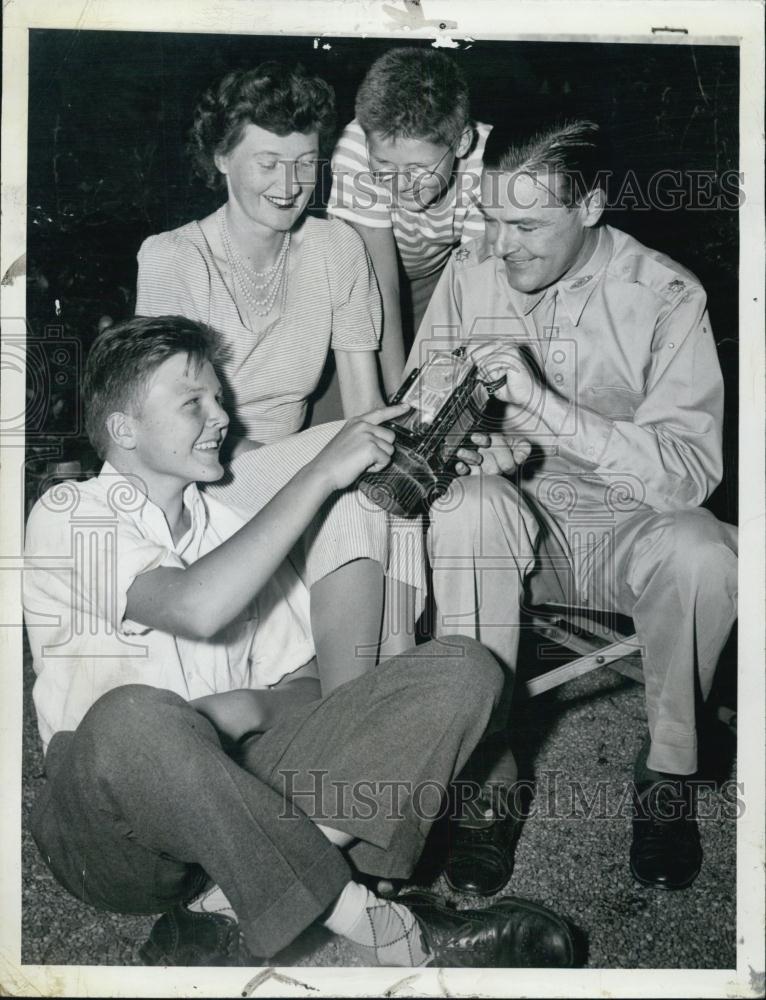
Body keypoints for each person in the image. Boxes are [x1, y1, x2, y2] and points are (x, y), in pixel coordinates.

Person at [23, 315, 576, 969]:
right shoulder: (69, 514)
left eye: (221, 398)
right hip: (112, 835)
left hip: (237, 796)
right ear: (124, 430)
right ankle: (372, 917)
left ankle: (230, 903)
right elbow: (194, 607)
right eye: (193, 401)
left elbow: (308, 686)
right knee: (133, 715)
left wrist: (245, 711)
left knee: (465, 669)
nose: (221, 415)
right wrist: (320, 472)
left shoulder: (225, 526)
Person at [409, 120, 738, 895]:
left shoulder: (665, 295)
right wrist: (456, 435)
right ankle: (490, 774)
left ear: (590, 206)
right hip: (515, 522)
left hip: (629, 530)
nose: (501, 243)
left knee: (710, 552)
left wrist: (546, 409)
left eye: (525, 225)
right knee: (468, 509)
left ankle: (667, 771)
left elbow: (690, 475)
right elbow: (422, 393)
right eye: (491, 218)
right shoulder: (471, 273)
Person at [135, 62, 423, 692]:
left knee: (378, 468)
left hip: (296, 460)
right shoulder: (172, 257)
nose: (290, 184)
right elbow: (166, 425)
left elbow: (365, 402)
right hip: (206, 475)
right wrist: (305, 457)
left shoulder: (337, 248)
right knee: (353, 463)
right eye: (267, 163)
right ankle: (367, 706)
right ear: (220, 158)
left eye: (305, 162)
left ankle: (389, 694)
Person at [328, 46, 491, 392]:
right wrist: (397, 394)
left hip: (440, 279)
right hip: (364, 281)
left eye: (419, 168)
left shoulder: (489, 163)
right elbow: (379, 287)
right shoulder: (355, 148)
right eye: (384, 164)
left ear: (461, 142)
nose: (401, 184)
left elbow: (475, 293)